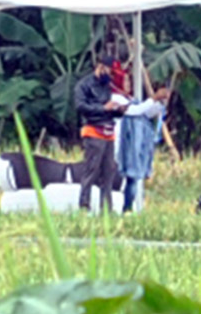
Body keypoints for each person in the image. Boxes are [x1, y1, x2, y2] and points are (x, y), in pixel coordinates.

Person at [71, 48, 124, 211]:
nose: (110, 74)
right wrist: (103, 108)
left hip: (108, 132)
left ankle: (106, 207)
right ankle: (84, 204)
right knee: (91, 169)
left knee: (109, 171)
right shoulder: (84, 85)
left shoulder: (106, 85)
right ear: (100, 67)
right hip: (93, 131)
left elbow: (109, 109)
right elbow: (80, 106)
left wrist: (118, 111)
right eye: (108, 70)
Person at [116, 69, 167, 211]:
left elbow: (145, 113)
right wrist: (154, 98)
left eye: (129, 81)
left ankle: (127, 208)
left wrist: (159, 104)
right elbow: (135, 111)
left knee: (132, 179)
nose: (128, 84)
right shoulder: (116, 99)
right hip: (120, 143)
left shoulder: (131, 99)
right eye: (125, 80)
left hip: (132, 145)